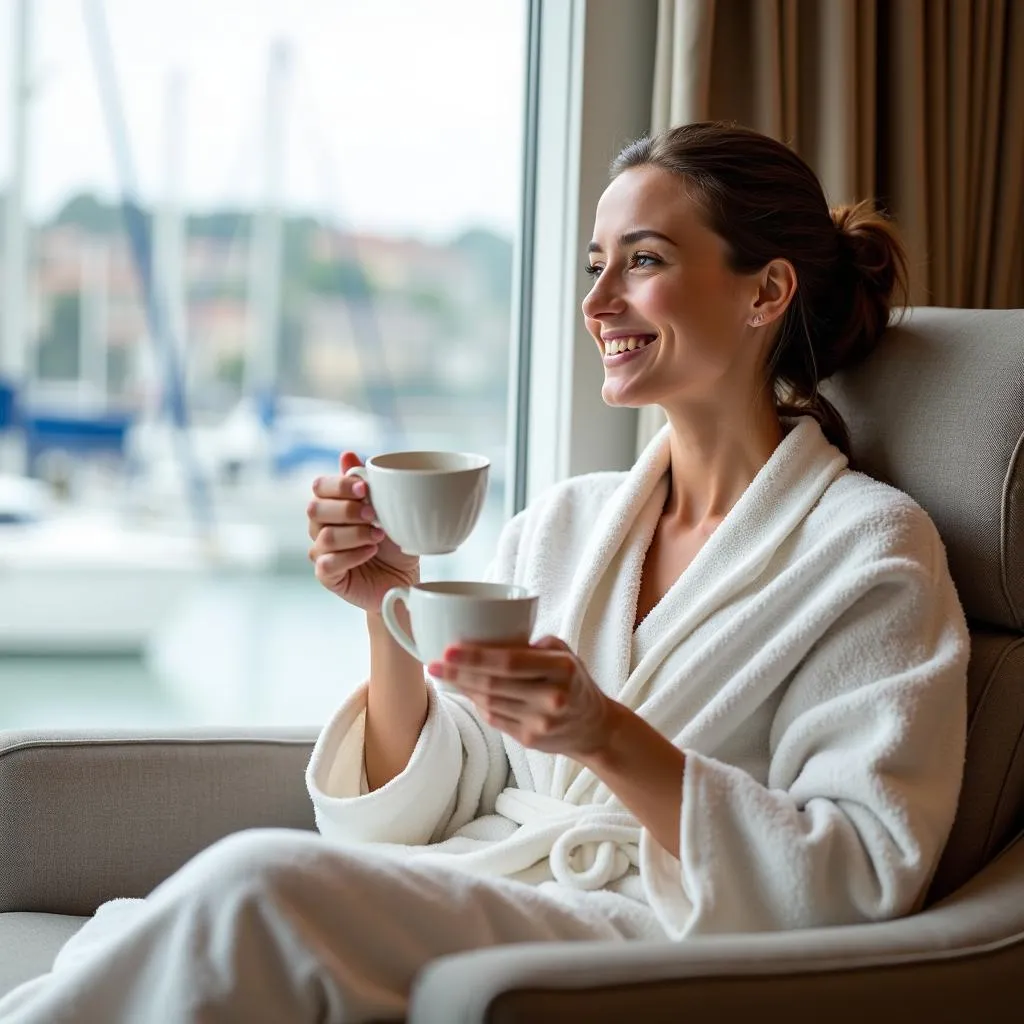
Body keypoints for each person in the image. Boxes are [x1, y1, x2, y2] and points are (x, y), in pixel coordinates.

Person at [0, 121, 968, 1023]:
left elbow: (860, 867)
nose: (597, 304)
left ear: (765, 292)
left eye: (643, 261)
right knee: (215, 901)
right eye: (596, 265)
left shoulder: (870, 551)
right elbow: (428, 801)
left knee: (255, 883)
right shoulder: (568, 520)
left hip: (648, 933)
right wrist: (389, 608)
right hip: (493, 879)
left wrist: (605, 734)